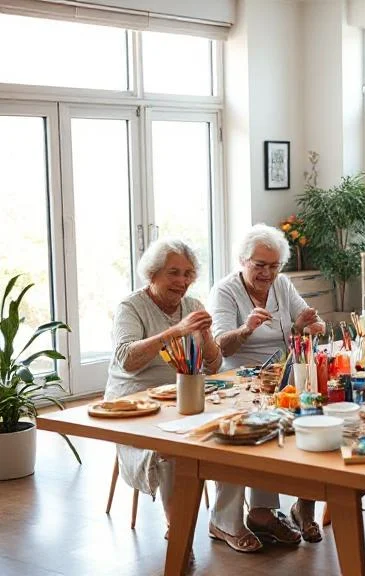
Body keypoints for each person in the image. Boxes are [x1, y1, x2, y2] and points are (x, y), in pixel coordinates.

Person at [102, 240, 250, 550]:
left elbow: (214, 364)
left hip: (185, 400)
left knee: (234, 433)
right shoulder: (131, 307)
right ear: (152, 274)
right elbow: (126, 360)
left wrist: (207, 336)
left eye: (188, 274)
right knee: (173, 448)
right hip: (136, 404)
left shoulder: (193, 306)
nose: (182, 281)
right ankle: (178, 524)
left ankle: (226, 523)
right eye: (174, 273)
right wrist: (175, 332)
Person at [208, 223, 325, 547]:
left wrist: (308, 325)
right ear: (242, 260)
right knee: (248, 426)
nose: (267, 273)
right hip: (236, 379)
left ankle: (274, 509)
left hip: (279, 376)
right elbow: (221, 347)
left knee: (313, 414)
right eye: (260, 265)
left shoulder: (282, 285)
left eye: (274, 266)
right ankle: (234, 518)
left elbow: (310, 322)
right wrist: (246, 329)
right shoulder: (226, 290)